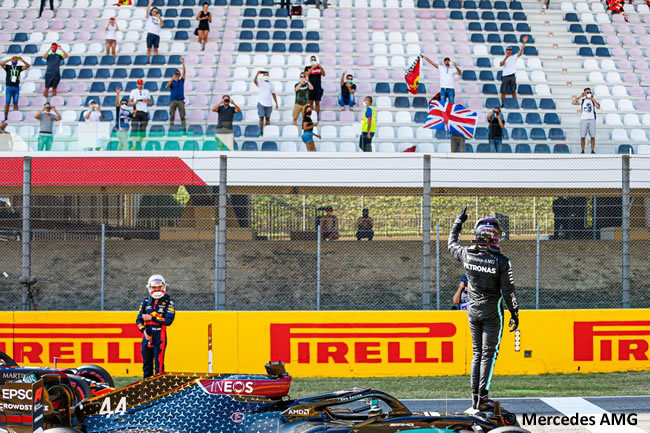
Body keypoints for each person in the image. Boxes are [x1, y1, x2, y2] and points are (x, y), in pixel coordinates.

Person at [448, 207, 519, 411]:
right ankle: (483, 397)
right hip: (492, 312)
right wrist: (515, 314)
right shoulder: (501, 261)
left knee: (477, 353)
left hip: (473, 310)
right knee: (489, 354)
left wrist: (458, 222)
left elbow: (451, 244)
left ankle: (474, 398)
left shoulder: (466, 254)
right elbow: (509, 291)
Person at [136, 274, 175, 378]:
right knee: (146, 367)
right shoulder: (145, 302)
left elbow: (168, 321)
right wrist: (143, 331)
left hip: (159, 337)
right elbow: (138, 320)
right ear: (149, 287)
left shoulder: (168, 302)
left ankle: (160, 392)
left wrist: (151, 318)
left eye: (159, 287)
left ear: (163, 286)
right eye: (154, 287)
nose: (157, 289)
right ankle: (147, 392)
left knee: (159, 368)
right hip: (146, 336)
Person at [499, 35, 528, 107]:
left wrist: (524, 43)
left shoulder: (514, 57)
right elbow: (501, 64)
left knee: (513, 91)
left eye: (510, 50)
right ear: (506, 51)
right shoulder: (504, 57)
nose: (509, 51)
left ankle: (515, 103)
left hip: (512, 75)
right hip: (505, 76)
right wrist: (506, 57)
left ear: (511, 51)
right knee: (503, 91)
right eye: (508, 50)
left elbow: (520, 52)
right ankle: (502, 103)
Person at [572, 87, 600, 154]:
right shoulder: (583, 100)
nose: (589, 93)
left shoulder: (592, 101)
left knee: (593, 136)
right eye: (587, 92)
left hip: (592, 119)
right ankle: (582, 150)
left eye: (590, 92)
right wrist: (580, 96)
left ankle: (592, 150)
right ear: (585, 93)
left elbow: (598, 106)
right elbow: (573, 102)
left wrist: (593, 99)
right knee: (582, 136)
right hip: (584, 119)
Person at [253, 70, 278, 137]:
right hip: (261, 102)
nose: (266, 76)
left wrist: (276, 103)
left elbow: (273, 94)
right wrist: (257, 74)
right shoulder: (260, 82)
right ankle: (261, 131)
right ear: (263, 76)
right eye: (265, 75)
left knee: (267, 118)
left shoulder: (271, 84)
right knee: (261, 118)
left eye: (267, 75)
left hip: (269, 103)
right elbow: (254, 81)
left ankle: (267, 131)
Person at [128, 79, 152, 148]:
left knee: (143, 129)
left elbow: (150, 102)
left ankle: (139, 143)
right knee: (134, 128)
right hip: (136, 111)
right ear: (137, 84)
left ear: (142, 84)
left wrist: (146, 100)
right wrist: (134, 102)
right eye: (138, 84)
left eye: (141, 84)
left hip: (144, 111)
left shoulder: (146, 91)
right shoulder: (133, 91)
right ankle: (134, 145)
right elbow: (129, 102)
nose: (140, 85)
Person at [165, 57, 186, 131]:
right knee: (172, 115)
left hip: (180, 100)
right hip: (173, 100)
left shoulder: (181, 81)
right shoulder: (172, 82)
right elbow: (166, 86)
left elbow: (184, 72)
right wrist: (172, 79)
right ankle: (171, 129)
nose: (177, 75)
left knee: (182, 115)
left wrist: (183, 63)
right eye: (176, 74)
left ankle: (184, 130)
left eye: (178, 74)